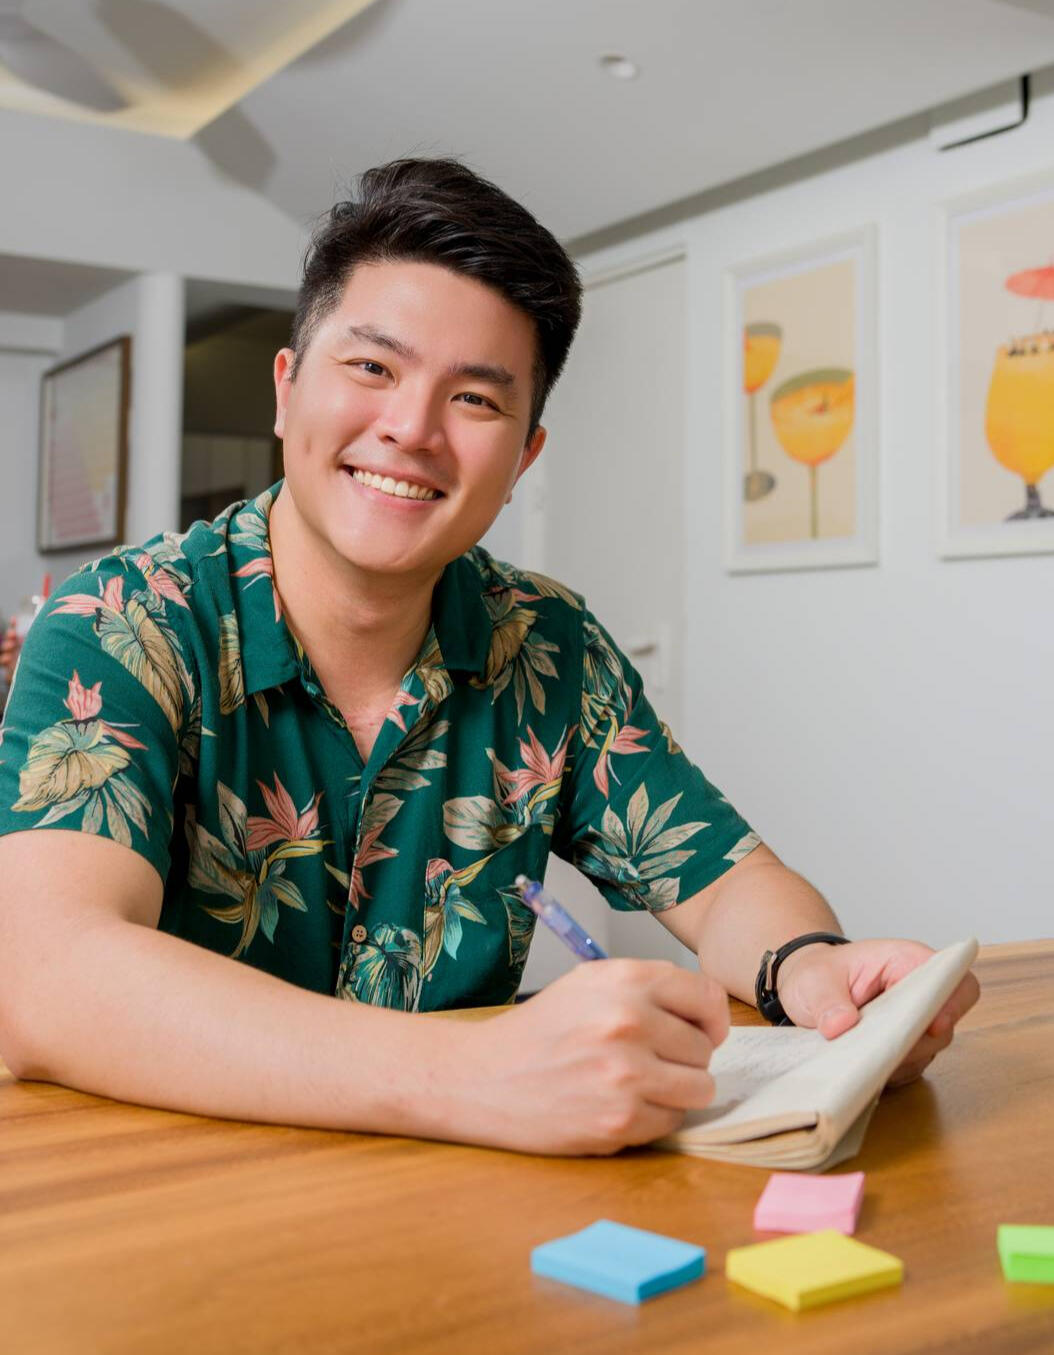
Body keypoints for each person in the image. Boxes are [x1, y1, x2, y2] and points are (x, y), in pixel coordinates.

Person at [0, 159, 977, 1155]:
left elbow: (725, 882)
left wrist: (814, 969)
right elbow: (47, 977)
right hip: (164, 1193)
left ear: (523, 458)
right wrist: (469, 1072)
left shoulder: (548, 644)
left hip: (458, 1203)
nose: (411, 429)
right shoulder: (122, 623)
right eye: (372, 368)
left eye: (474, 398)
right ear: (287, 390)